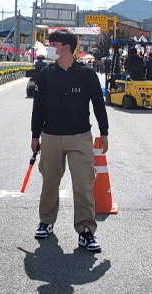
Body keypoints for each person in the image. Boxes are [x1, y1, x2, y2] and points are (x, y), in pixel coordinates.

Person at [31, 29, 109, 252]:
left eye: (53, 44)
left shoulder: (87, 75)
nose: (49, 48)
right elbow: (38, 108)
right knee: (49, 182)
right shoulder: (45, 74)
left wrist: (104, 132)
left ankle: (86, 231)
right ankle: (46, 222)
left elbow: (98, 104)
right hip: (51, 136)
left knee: (83, 184)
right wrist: (35, 135)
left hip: (80, 136)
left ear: (66, 48)